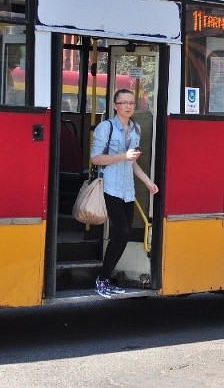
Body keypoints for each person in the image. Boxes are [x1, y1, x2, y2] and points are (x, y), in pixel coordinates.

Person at [90, 89, 159, 298]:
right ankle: (101, 279)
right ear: (115, 105)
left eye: (131, 103)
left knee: (125, 233)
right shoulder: (106, 128)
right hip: (110, 186)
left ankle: (106, 278)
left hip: (128, 189)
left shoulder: (135, 128)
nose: (128, 106)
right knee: (121, 230)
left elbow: (132, 163)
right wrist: (123, 155)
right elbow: (95, 159)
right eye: (123, 102)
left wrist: (148, 182)